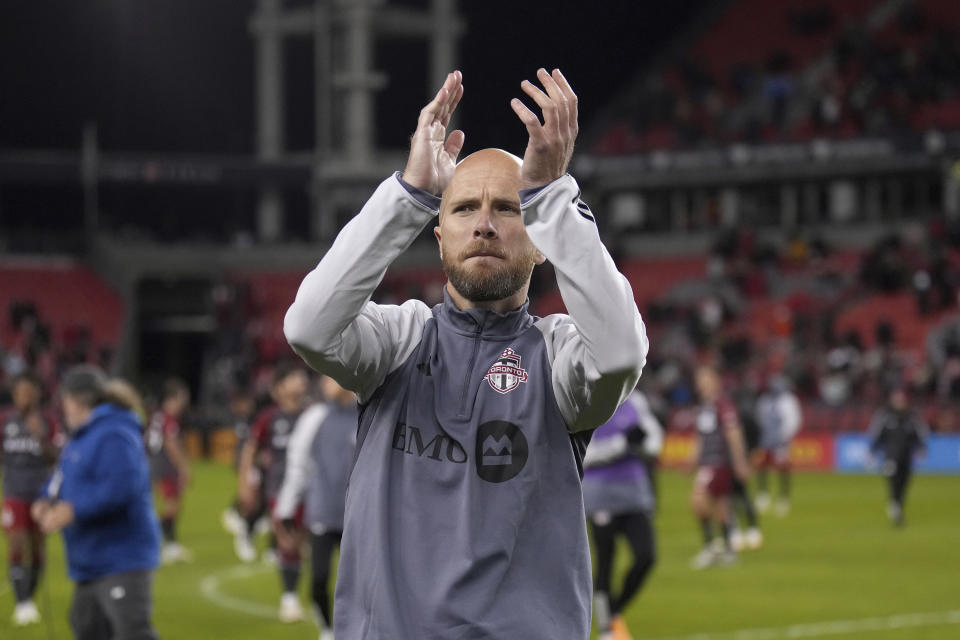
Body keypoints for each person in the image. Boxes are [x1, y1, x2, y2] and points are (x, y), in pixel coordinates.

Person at [284, 68, 647, 638]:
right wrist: (408, 196)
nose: (483, 224)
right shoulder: (398, 342)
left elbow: (623, 354)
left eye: (508, 209)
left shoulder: (558, 360)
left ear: (541, 241)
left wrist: (553, 196)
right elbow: (309, 326)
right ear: (438, 234)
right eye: (462, 209)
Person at [31, 366, 160, 640]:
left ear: (77, 401)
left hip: (121, 558)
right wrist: (45, 500)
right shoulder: (81, 436)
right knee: (86, 627)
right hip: (90, 561)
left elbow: (123, 487)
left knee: (131, 632)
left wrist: (73, 510)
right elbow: (60, 478)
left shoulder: (115, 432)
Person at [274, 375, 358, 640]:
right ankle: (327, 630)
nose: (324, 382)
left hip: (358, 517)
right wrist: (286, 508)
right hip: (322, 512)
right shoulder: (314, 417)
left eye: (331, 376)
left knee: (362, 584)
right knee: (318, 580)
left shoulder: (368, 411)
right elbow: (298, 464)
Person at [582, 389, 662, 640]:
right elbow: (583, 453)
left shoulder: (635, 399)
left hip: (634, 493)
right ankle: (607, 630)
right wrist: (621, 445)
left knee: (646, 556)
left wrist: (643, 443)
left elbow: (655, 436)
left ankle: (614, 611)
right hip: (600, 495)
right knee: (606, 561)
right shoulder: (587, 399)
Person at [237, 362, 309, 622]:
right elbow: (250, 451)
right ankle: (289, 599)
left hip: (312, 491)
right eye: (294, 377)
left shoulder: (313, 414)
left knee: (300, 545)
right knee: (287, 542)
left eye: (302, 377)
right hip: (279, 489)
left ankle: (302, 586)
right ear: (279, 388)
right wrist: (245, 483)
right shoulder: (269, 417)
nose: (301, 380)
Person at [1, 370, 60, 626]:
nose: (24, 397)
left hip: (41, 494)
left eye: (29, 392)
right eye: (20, 392)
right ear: (14, 395)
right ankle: (22, 601)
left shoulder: (48, 420)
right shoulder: (5, 421)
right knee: (16, 542)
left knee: (37, 547)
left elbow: (57, 458)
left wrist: (41, 437)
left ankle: (31, 597)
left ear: (37, 394)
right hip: (13, 492)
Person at [689, 364, 751, 570]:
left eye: (705, 379)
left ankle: (710, 546)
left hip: (717, 463)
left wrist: (740, 462)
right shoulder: (705, 406)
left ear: (715, 381)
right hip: (709, 463)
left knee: (698, 500)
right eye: (699, 380)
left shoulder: (722, 405)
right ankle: (728, 550)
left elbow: (734, 434)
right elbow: (701, 437)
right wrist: (693, 458)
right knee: (722, 506)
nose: (701, 384)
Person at [145, 378, 191, 563]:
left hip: (153, 462)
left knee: (171, 505)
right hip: (165, 465)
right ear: (172, 399)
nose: (183, 404)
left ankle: (170, 545)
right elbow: (171, 443)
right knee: (173, 505)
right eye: (181, 399)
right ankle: (163, 543)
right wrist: (183, 468)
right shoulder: (169, 420)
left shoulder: (157, 416)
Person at [868, 387, 928, 526]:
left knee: (904, 482)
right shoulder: (885, 416)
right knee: (892, 480)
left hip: (907, 456)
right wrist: (872, 451)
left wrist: (922, 449)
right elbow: (877, 435)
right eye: (897, 399)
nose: (899, 402)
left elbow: (919, 436)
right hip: (890, 456)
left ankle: (898, 505)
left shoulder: (912, 417)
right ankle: (894, 504)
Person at [753, 373, 801, 516]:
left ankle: (783, 498)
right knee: (761, 467)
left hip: (781, 441)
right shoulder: (764, 401)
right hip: (765, 440)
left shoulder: (789, 401)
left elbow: (794, 420)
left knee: (783, 469)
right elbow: (759, 418)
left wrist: (785, 437)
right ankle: (763, 495)